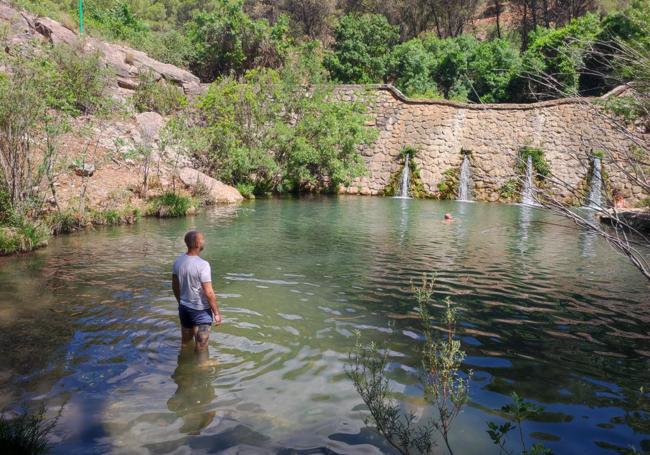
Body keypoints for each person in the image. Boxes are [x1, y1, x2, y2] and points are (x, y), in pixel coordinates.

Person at [172, 230, 221, 354]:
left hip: (184, 308)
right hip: (200, 310)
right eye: (202, 239)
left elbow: (175, 286)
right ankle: (201, 368)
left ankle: (183, 364)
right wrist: (216, 313)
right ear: (198, 243)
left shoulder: (178, 261)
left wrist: (180, 302)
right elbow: (208, 292)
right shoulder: (203, 265)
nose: (204, 241)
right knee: (202, 344)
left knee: (185, 342)